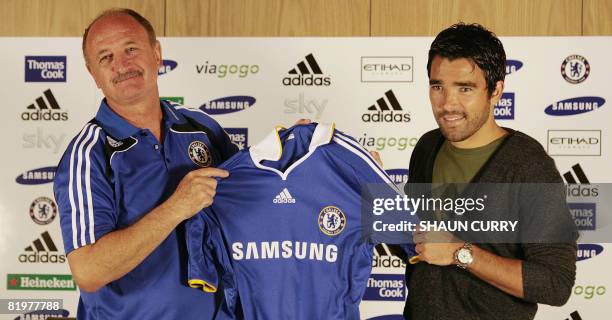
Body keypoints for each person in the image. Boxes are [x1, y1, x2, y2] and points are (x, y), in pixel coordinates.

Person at [53, 8, 239, 319]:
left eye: (130, 49)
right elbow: (89, 270)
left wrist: (295, 150)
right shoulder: (88, 154)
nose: (121, 65)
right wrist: (177, 207)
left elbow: (253, 198)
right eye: (105, 57)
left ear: (156, 53)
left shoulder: (202, 127)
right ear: (93, 75)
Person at [403, 23, 577, 319]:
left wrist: (460, 253)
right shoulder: (427, 148)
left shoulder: (529, 166)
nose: (447, 104)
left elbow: (555, 284)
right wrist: (363, 177)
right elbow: (422, 246)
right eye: (437, 86)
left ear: (496, 91)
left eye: (465, 88)